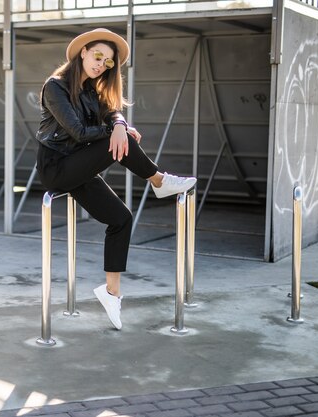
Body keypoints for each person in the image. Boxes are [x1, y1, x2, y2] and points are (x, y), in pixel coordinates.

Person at [35, 28, 196, 330]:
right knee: (120, 145)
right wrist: (116, 131)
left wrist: (120, 122)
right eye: (98, 56)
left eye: (108, 62)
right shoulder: (55, 87)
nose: (101, 64)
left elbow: (111, 111)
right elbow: (79, 133)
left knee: (121, 218)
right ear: (83, 52)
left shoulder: (89, 90)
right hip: (56, 167)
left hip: (78, 167)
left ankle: (111, 293)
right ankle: (159, 180)